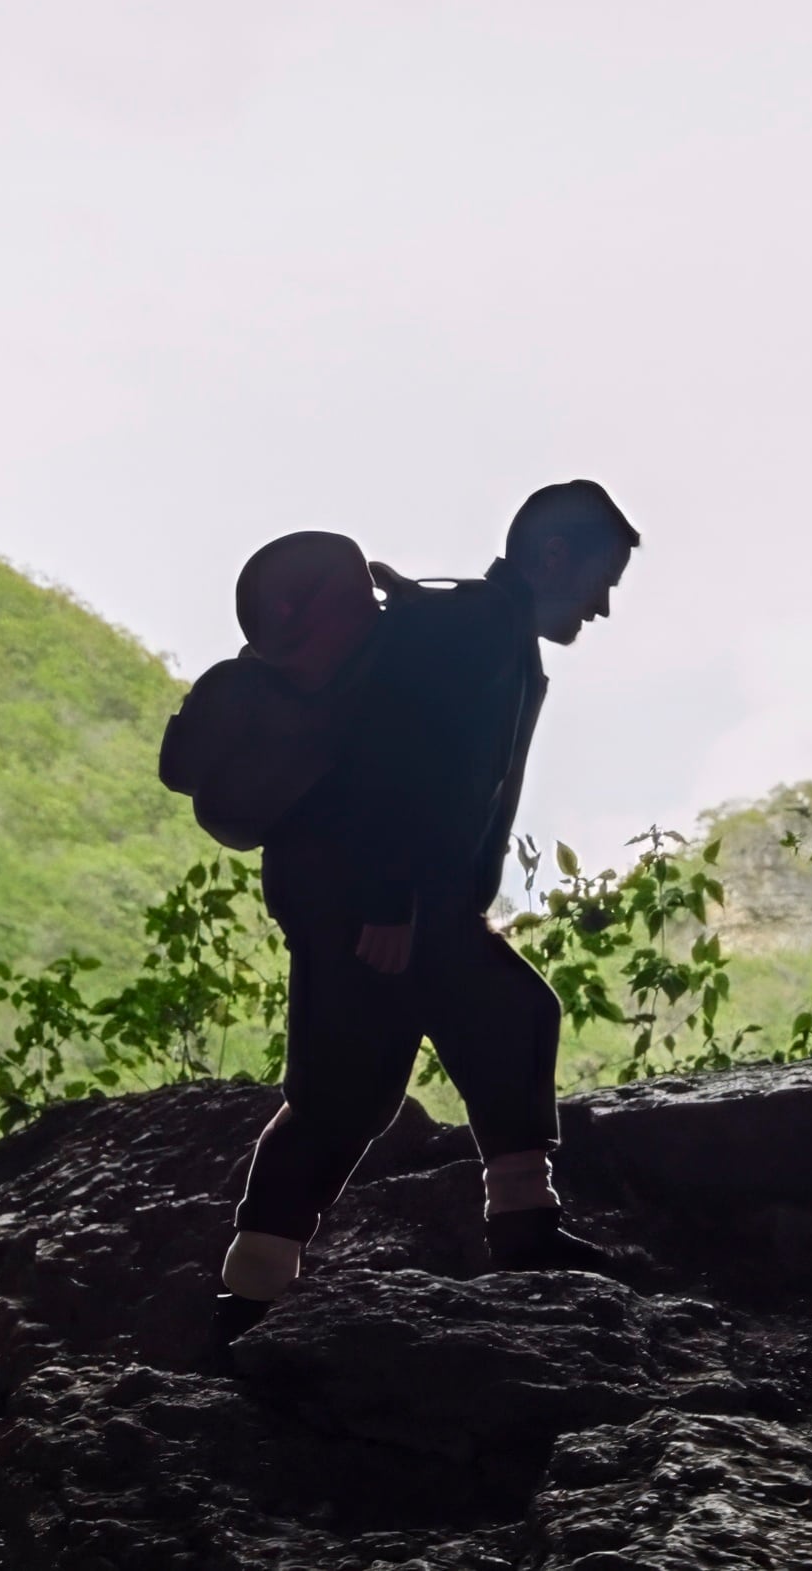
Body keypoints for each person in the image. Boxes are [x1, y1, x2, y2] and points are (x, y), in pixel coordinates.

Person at [215, 480, 639, 1342]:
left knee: (351, 1092)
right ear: (553, 556)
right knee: (502, 1018)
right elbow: (397, 762)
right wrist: (389, 898)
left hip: (372, 896)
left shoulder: (469, 625)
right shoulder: (472, 628)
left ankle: (251, 1287)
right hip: (379, 900)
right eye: (599, 580)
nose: (599, 606)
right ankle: (522, 1228)